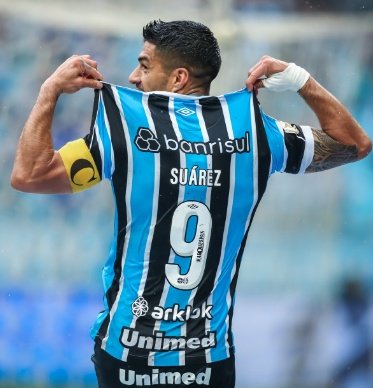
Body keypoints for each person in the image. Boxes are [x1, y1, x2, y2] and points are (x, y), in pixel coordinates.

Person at [11, 20, 371, 388]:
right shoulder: (256, 133)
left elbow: (30, 175)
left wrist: (50, 90)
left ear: (179, 77)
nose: (134, 77)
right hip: (208, 358)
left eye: (145, 64)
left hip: (127, 354)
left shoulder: (126, 130)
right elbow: (354, 144)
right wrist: (297, 78)